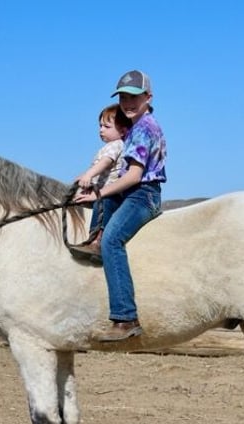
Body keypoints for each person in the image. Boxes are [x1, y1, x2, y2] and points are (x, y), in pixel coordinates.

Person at [74, 70, 166, 342]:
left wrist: (98, 193)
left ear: (148, 97)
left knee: (112, 241)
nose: (128, 102)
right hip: (132, 192)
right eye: (124, 97)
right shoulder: (137, 127)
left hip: (143, 194)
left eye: (134, 97)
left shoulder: (144, 129)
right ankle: (94, 239)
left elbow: (134, 176)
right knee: (108, 201)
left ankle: (126, 318)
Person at [71, 104, 132, 264]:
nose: (101, 130)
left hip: (110, 193)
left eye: (107, 126)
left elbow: (105, 163)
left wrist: (89, 174)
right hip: (101, 190)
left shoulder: (116, 145)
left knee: (103, 204)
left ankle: (97, 241)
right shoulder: (108, 147)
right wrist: (86, 178)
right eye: (100, 126)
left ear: (123, 130)